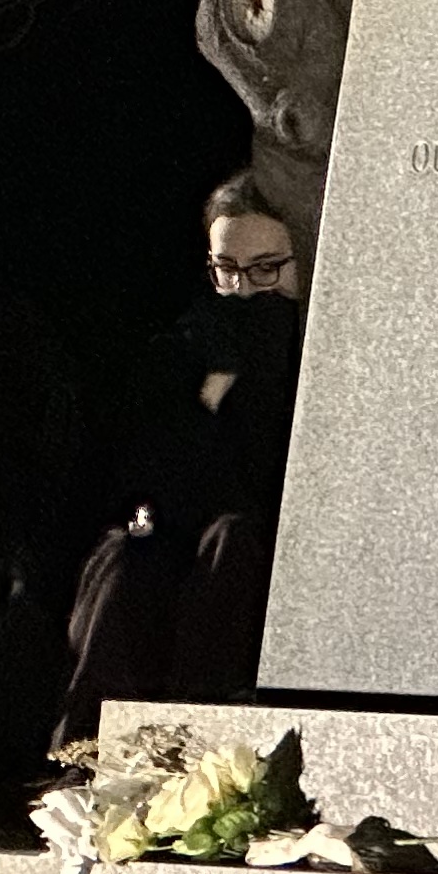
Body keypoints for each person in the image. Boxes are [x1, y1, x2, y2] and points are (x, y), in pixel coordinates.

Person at [50, 174, 310, 750]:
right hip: (181, 525)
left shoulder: (315, 349)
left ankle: (201, 742)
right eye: (227, 270)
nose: (243, 290)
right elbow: (147, 479)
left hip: (274, 540)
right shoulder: (187, 347)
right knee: (126, 557)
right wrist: (207, 396)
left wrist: (248, 387)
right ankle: (91, 752)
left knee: (232, 542)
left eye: (267, 269)